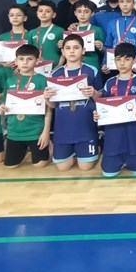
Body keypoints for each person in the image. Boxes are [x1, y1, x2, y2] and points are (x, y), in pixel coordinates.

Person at [45, 34, 102, 171]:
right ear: (63, 51)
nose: (71, 51)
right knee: (62, 168)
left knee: (85, 167)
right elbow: (53, 105)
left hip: (85, 124)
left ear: (83, 51)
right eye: (68, 48)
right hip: (63, 126)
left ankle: (98, 144)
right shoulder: (55, 74)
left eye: (76, 48)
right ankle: (75, 152)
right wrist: (47, 98)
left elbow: (101, 97)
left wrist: (93, 93)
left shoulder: (91, 70)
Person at [96, 43, 136, 177]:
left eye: (127, 59)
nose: (122, 63)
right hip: (113, 132)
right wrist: (98, 114)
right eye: (118, 59)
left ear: (134, 60)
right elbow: (103, 106)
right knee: (108, 174)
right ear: (114, 60)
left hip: (134, 130)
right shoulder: (109, 82)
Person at [0, 44, 51, 168]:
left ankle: (50, 145)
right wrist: (0, 109)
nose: (25, 62)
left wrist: (46, 132)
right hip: (14, 131)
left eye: (30, 59)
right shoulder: (10, 81)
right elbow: (4, 104)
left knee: (40, 165)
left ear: (37, 61)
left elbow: (49, 109)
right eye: (21, 59)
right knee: (11, 166)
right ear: (16, 61)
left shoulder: (43, 80)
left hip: (36, 130)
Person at [71, 0, 105, 72]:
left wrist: (101, 47)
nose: (82, 14)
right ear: (75, 13)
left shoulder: (97, 30)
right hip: (74, 64)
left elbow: (105, 51)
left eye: (86, 12)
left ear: (92, 13)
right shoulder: (71, 30)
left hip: (92, 63)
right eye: (79, 11)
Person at [28, 0, 65, 68]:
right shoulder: (32, 32)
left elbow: (64, 51)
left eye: (47, 11)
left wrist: (59, 65)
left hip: (55, 66)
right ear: (37, 13)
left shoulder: (60, 30)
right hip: (36, 66)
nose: (43, 13)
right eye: (40, 11)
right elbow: (28, 52)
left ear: (54, 15)